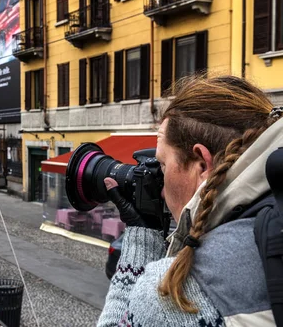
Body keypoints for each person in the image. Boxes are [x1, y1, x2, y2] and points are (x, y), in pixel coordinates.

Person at [98, 75, 282, 327]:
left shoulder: (175, 293)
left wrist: (142, 237)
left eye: (163, 165)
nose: (161, 189)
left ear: (202, 164)